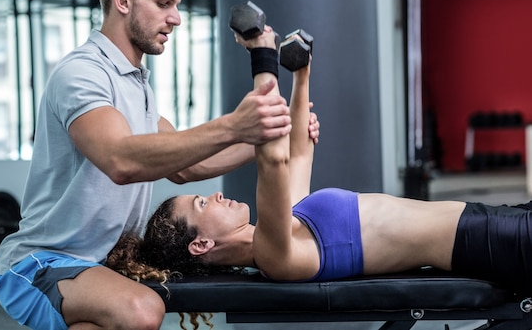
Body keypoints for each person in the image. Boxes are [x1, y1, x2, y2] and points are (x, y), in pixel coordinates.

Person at [0, 0, 320, 330]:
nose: (176, 18)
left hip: (94, 267)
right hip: (40, 262)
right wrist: (234, 125)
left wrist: (269, 134)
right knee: (141, 311)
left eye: (176, 5)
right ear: (123, 1)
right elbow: (121, 160)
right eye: (164, 3)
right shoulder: (82, 74)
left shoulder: (136, 85)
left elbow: (190, 164)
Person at [106, 24, 532, 296]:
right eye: (201, 205)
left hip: (485, 223)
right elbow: (272, 161)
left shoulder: (290, 225)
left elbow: (296, 153)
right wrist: (262, 54)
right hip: (481, 239)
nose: (214, 195)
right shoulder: (276, 256)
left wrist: (301, 73)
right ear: (201, 245)